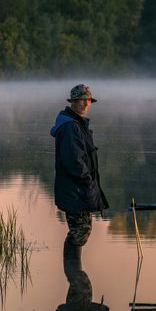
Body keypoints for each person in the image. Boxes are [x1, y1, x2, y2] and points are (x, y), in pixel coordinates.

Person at [50, 84, 108, 246]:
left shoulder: (76, 124)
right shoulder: (70, 126)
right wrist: (88, 182)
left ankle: (72, 263)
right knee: (79, 232)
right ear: (73, 101)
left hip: (78, 189)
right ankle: (71, 263)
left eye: (89, 100)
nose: (86, 104)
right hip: (75, 189)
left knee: (82, 231)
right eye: (82, 100)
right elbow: (74, 161)